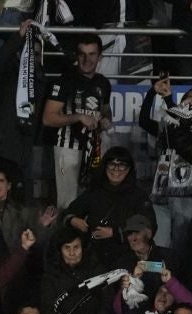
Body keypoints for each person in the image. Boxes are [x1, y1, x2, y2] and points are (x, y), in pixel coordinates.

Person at [43, 33, 114, 211]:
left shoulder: (103, 83)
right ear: (76, 55)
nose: (86, 59)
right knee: (67, 204)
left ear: (100, 57)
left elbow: (105, 110)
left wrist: (106, 120)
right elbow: (48, 118)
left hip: (94, 149)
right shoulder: (65, 80)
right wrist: (78, 117)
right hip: (67, 147)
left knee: (94, 201)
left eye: (91, 54)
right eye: (82, 54)